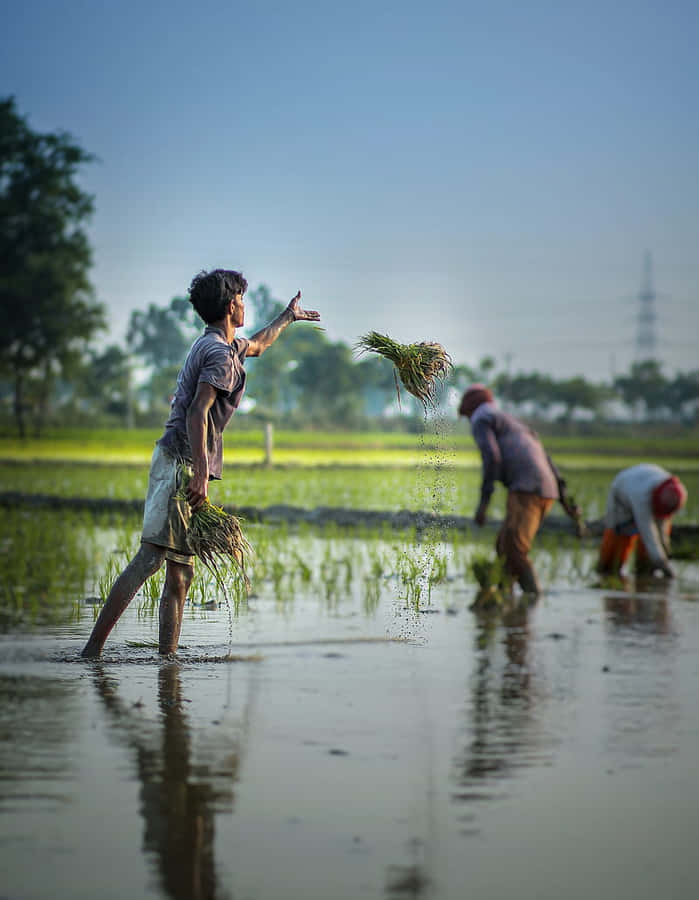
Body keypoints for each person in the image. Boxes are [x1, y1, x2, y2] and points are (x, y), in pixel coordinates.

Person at [81, 269, 320, 657]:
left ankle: (167, 660)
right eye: (241, 299)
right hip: (181, 464)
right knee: (150, 560)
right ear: (231, 306)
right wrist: (199, 474)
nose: (244, 304)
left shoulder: (220, 345)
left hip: (180, 460)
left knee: (180, 570)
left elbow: (259, 344)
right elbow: (197, 412)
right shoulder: (217, 354)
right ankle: (92, 652)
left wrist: (288, 316)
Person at [458, 383, 580, 595]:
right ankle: (505, 596)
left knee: (515, 550)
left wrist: (483, 504)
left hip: (527, 489)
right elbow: (547, 461)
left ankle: (533, 598)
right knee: (504, 546)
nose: (469, 421)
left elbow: (492, 458)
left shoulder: (481, 418)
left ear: (470, 408)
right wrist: (566, 503)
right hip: (546, 489)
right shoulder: (514, 422)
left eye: (467, 416)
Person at [596, 463, 687, 578]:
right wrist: (664, 565)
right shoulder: (641, 496)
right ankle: (607, 573)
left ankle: (644, 572)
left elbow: (661, 528)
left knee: (649, 556)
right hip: (621, 497)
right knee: (618, 543)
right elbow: (648, 532)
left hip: (644, 487)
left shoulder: (674, 491)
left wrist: (665, 551)